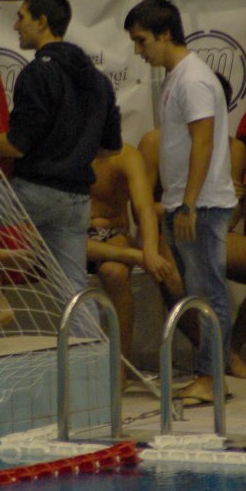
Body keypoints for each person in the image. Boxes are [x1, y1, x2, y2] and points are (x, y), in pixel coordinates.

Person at [0, 0, 122, 308]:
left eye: (21, 17)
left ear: (42, 21)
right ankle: (89, 341)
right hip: (77, 201)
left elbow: (16, 145)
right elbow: (110, 149)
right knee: (74, 290)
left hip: (33, 193)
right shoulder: (99, 81)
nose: (15, 26)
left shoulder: (38, 73)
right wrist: (71, 153)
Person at [138, 74, 246, 382]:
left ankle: (228, 349)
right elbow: (142, 210)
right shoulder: (154, 143)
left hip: (213, 230)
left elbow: (231, 220)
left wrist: (232, 202)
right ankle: (213, 355)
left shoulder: (233, 149)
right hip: (170, 231)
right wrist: (185, 208)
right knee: (173, 279)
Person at [125, 0, 237, 407]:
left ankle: (211, 378)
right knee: (197, 292)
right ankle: (210, 374)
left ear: (165, 34)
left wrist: (189, 203)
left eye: (142, 41)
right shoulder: (177, 77)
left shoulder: (194, 79)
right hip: (185, 203)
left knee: (210, 294)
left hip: (201, 205)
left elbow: (203, 142)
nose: (139, 51)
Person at [87, 143, 178, 379]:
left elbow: (144, 207)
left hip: (111, 234)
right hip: (73, 237)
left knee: (115, 273)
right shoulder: (65, 150)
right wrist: (136, 255)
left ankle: (121, 366)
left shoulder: (124, 155)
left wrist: (149, 251)